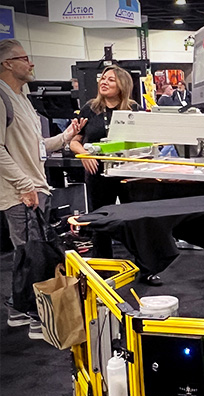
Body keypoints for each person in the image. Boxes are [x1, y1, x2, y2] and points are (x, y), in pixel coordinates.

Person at [0, 39, 87, 338]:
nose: (31, 63)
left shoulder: (22, 99)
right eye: (24, 58)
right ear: (7, 63)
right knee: (34, 254)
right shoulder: (1, 98)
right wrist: (24, 185)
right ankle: (38, 315)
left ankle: (19, 309)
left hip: (35, 188)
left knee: (28, 253)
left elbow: (36, 147)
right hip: (20, 192)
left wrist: (66, 136)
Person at [68, 66, 162, 286]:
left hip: (128, 173)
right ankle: (103, 271)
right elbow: (74, 141)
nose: (104, 82)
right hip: (98, 174)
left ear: (122, 84)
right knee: (101, 222)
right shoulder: (90, 108)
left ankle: (146, 269)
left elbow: (146, 141)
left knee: (135, 220)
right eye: (103, 78)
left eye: (110, 79)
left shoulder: (133, 109)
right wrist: (84, 154)